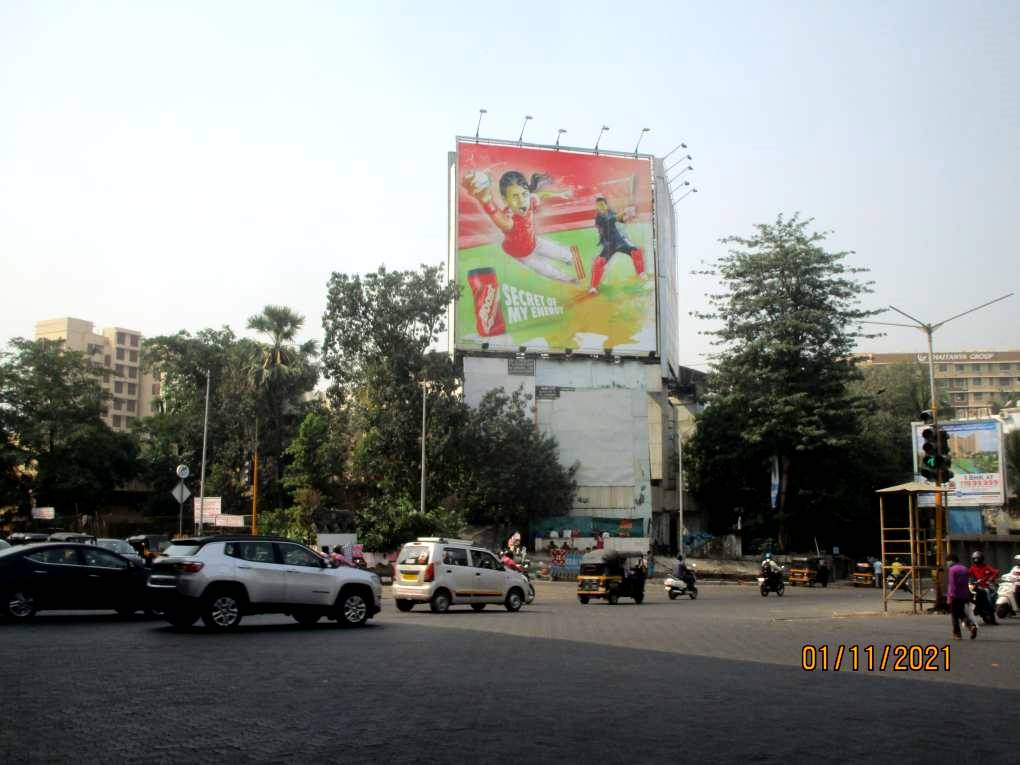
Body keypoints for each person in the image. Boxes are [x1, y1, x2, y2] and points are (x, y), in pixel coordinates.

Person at [462, 169, 583, 284]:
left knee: (560, 252)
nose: (521, 201)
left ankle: (570, 259)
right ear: (505, 200)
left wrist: (560, 194)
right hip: (521, 254)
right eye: (515, 196)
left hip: (534, 241)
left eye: (524, 194)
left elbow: (540, 195)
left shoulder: (530, 201)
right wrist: (486, 201)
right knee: (546, 270)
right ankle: (567, 279)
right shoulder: (508, 220)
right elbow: (495, 214)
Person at [587, 196, 647, 294]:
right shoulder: (599, 217)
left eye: (602, 205)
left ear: (606, 205)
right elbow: (611, 220)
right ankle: (593, 287)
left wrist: (629, 214)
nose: (600, 207)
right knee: (599, 263)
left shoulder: (610, 212)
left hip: (619, 241)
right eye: (598, 206)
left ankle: (641, 273)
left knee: (636, 251)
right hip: (609, 245)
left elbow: (621, 220)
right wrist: (624, 211)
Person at [947, 553, 978, 639]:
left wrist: (950, 596)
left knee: (954, 615)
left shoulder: (952, 570)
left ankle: (957, 634)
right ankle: (971, 626)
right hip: (964, 595)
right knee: (961, 613)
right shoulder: (965, 569)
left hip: (955, 595)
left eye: (947, 562)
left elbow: (952, 584)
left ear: (951, 561)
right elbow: (966, 583)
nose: (947, 564)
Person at [969, 550, 999, 624]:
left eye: (977, 558)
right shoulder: (973, 568)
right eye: (975, 559)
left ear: (981, 559)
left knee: (989, 599)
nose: (976, 560)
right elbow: (967, 573)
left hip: (986, 586)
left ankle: (992, 617)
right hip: (976, 586)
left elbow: (995, 572)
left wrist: (991, 578)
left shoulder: (986, 566)